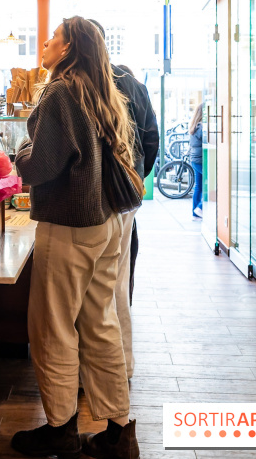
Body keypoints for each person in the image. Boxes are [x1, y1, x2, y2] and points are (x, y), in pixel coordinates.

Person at [12, 16, 140, 459]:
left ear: (67, 49)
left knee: (52, 328)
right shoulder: (97, 89)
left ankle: (60, 428)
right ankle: (119, 432)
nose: (45, 42)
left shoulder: (61, 91)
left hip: (70, 223)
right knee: (100, 323)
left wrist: (19, 152)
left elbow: (39, 165)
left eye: (52, 38)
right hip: (105, 223)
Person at [88, 20, 159, 381]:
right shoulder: (135, 84)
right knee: (116, 281)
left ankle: (100, 372)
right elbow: (151, 142)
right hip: (126, 196)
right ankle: (121, 367)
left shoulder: (81, 83)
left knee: (94, 289)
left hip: (90, 198)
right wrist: (134, 182)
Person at [190, 103, 204, 219]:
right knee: (212, 184)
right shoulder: (201, 127)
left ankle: (195, 212)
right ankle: (200, 207)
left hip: (195, 159)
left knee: (198, 186)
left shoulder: (195, 126)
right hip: (200, 160)